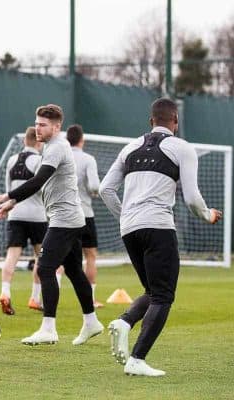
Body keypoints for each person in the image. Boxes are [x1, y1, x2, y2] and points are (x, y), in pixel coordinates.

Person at [99, 98, 222, 377]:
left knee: (152, 291)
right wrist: (208, 215)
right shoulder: (182, 148)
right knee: (164, 295)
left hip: (129, 228)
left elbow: (106, 189)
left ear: (150, 121)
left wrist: (125, 215)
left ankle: (125, 321)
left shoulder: (129, 148)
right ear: (175, 122)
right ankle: (137, 359)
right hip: (157, 226)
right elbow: (191, 198)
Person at [0, 104, 102, 347]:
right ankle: (91, 322)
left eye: (43, 125)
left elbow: (37, 181)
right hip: (70, 219)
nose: (38, 128)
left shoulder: (57, 148)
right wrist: (12, 200)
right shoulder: (51, 147)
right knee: (73, 270)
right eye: (36, 124)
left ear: (57, 127)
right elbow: (38, 183)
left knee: (45, 268)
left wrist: (8, 198)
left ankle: (49, 328)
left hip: (65, 220)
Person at [0, 126, 48, 315]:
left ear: (23, 141)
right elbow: (41, 188)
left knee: (11, 256)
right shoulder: (40, 160)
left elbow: (9, 190)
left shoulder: (11, 160)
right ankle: (35, 298)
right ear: (38, 142)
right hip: (37, 216)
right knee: (41, 258)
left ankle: (5, 292)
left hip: (15, 214)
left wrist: (10, 204)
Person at [66, 124, 103, 308]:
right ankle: (91, 299)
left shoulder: (61, 157)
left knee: (58, 258)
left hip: (63, 214)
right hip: (85, 213)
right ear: (82, 140)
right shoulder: (88, 159)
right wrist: (92, 192)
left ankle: (44, 298)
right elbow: (95, 187)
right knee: (90, 256)